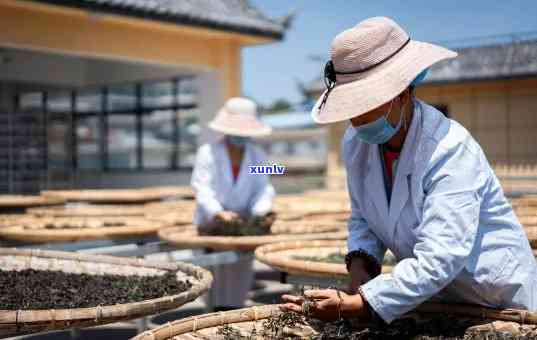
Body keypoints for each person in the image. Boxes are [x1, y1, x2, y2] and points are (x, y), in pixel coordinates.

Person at [282, 17, 537, 324]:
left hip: (496, 298)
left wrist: (358, 304)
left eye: (366, 105)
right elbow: (363, 216)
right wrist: (362, 265)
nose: (357, 120)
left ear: (402, 94)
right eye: (351, 109)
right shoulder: (356, 143)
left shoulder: (449, 149)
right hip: (433, 299)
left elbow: (442, 256)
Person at [191, 97, 275, 311]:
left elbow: (263, 187)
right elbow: (202, 187)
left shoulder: (258, 156)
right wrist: (219, 213)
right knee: (213, 279)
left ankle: (233, 314)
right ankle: (211, 315)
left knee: (238, 276)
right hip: (213, 227)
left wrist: (261, 211)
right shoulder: (208, 153)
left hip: (243, 227)